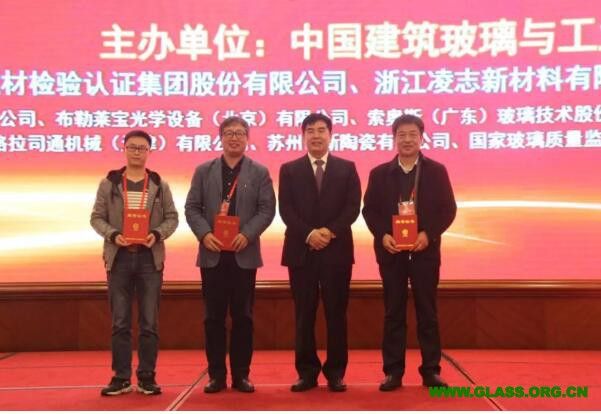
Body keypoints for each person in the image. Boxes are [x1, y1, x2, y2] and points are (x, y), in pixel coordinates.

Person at [362, 114, 456, 391]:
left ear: (421, 137)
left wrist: (429, 234)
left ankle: (431, 371)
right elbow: (370, 211)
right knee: (393, 312)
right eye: (401, 135)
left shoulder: (436, 171)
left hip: (425, 252)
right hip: (392, 253)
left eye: (412, 134)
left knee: (428, 311)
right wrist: (383, 235)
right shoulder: (380, 173)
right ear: (394, 138)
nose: (407, 140)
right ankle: (393, 372)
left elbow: (448, 209)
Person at [185, 116, 276, 393]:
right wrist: (205, 234)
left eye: (239, 133)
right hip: (212, 254)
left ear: (247, 138)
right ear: (221, 138)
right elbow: (192, 207)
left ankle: (241, 375)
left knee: (243, 317)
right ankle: (216, 375)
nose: (234, 137)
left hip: (243, 253)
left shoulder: (259, 172)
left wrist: (247, 234)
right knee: (213, 318)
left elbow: (266, 209)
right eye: (229, 133)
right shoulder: (204, 171)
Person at [91, 129, 179, 396]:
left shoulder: (159, 184)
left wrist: (157, 234)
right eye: (132, 147)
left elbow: (172, 218)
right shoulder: (109, 183)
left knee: (149, 322)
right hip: (118, 258)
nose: (137, 152)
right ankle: (120, 377)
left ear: (149, 151)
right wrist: (113, 235)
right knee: (120, 322)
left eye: (142, 148)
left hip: (149, 259)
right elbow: (96, 218)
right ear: (124, 149)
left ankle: (147, 377)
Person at [278, 113, 361, 392]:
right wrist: (309, 234)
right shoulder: (289, 169)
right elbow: (286, 209)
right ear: (303, 136)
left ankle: (336, 372)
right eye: (310, 130)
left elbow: (352, 207)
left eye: (321, 130)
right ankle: (307, 372)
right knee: (304, 314)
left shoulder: (347, 168)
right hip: (301, 251)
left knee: (337, 314)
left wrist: (328, 232)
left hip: (336, 251)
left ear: (330, 134)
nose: (316, 135)